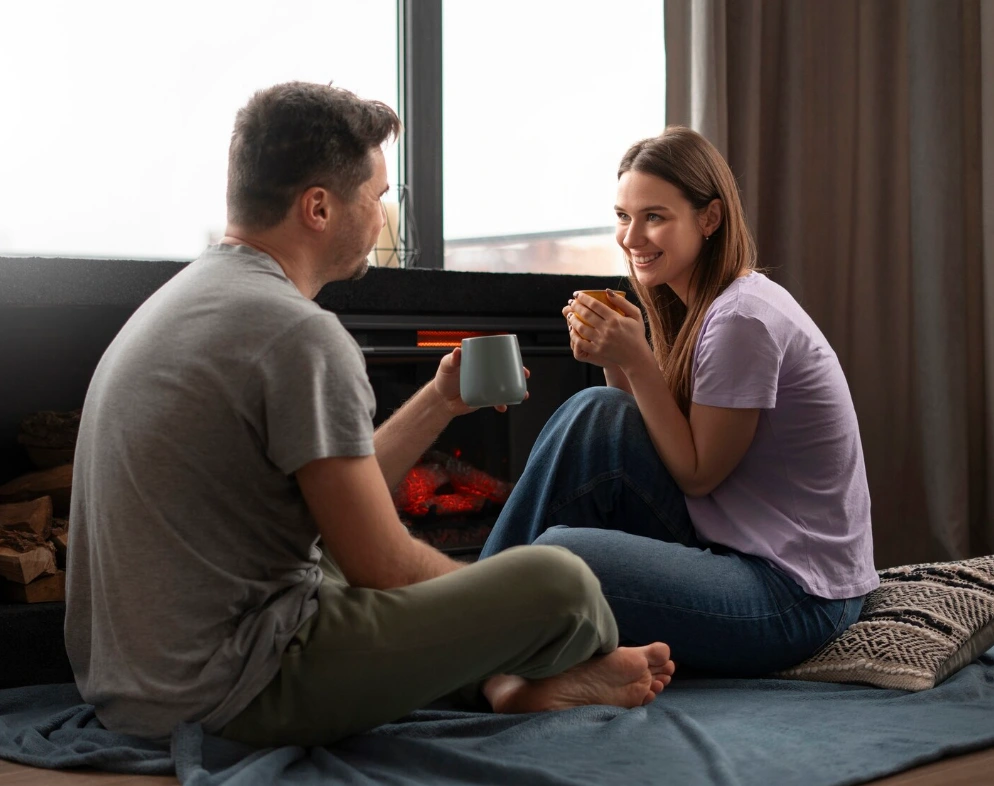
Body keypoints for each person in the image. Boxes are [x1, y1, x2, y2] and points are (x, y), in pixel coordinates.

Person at [64, 82, 675, 747]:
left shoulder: (189, 299)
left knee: (334, 554)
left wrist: (441, 398)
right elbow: (380, 564)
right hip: (231, 686)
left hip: (132, 683)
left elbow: (337, 498)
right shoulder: (297, 333)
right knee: (562, 582)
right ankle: (530, 664)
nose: (383, 215)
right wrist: (501, 607)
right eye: (378, 197)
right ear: (319, 207)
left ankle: (501, 683)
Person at [480, 126, 879, 677]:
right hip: (730, 546)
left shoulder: (742, 319)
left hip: (795, 598)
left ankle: (467, 630)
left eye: (654, 217)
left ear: (709, 219)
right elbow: (633, 439)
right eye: (623, 216)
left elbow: (697, 474)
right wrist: (615, 358)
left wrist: (638, 357)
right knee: (597, 409)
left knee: (563, 556)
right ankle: (474, 624)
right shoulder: (706, 306)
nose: (632, 236)